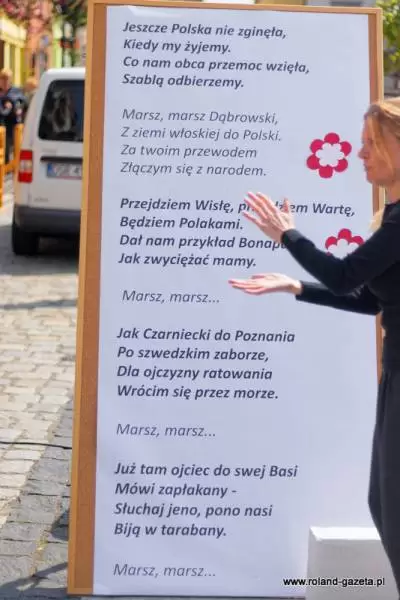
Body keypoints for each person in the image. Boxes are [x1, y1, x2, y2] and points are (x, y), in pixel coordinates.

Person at [229, 96, 400, 596]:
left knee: (393, 508)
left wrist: (289, 236)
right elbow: (370, 299)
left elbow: (345, 276)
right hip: (395, 374)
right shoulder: (392, 216)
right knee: (382, 504)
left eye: (371, 143)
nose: (359, 153)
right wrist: (297, 287)